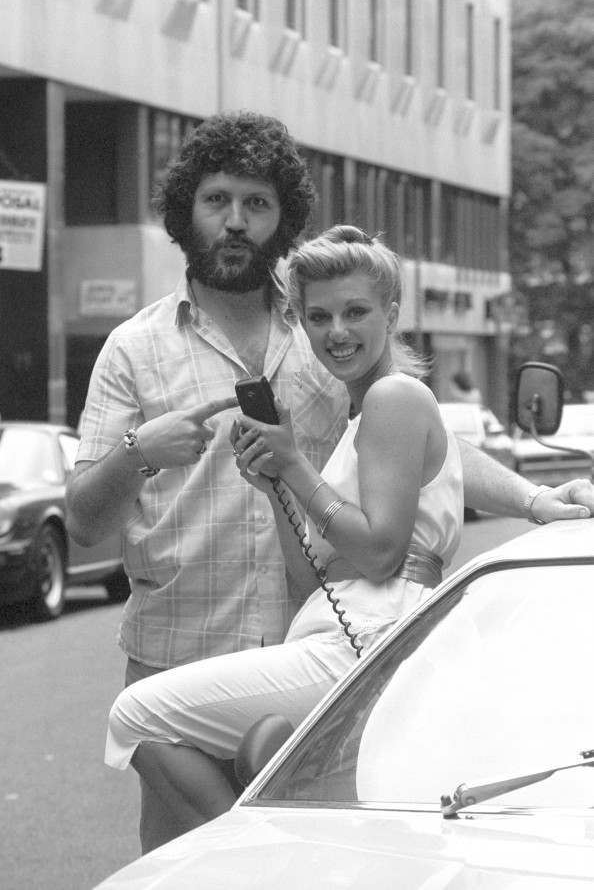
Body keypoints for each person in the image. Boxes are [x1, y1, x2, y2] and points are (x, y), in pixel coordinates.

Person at [67, 110, 594, 853]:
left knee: (338, 853)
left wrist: (537, 500)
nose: (237, 221)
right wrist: (139, 451)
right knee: (181, 866)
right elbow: (83, 522)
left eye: (258, 204)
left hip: (321, 647)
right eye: (218, 200)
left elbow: (419, 449)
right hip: (183, 646)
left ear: (283, 217)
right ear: (185, 210)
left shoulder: (326, 336)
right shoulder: (133, 349)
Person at [104, 227, 464, 827]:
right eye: (318, 317)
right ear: (300, 322)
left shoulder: (395, 397)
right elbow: (310, 583)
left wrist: (296, 464)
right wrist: (277, 489)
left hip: (371, 636)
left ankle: (262, 859)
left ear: (392, 314)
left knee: (137, 714)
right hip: (344, 631)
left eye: (356, 312)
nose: (337, 333)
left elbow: (380, 553)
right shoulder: (363, 414)